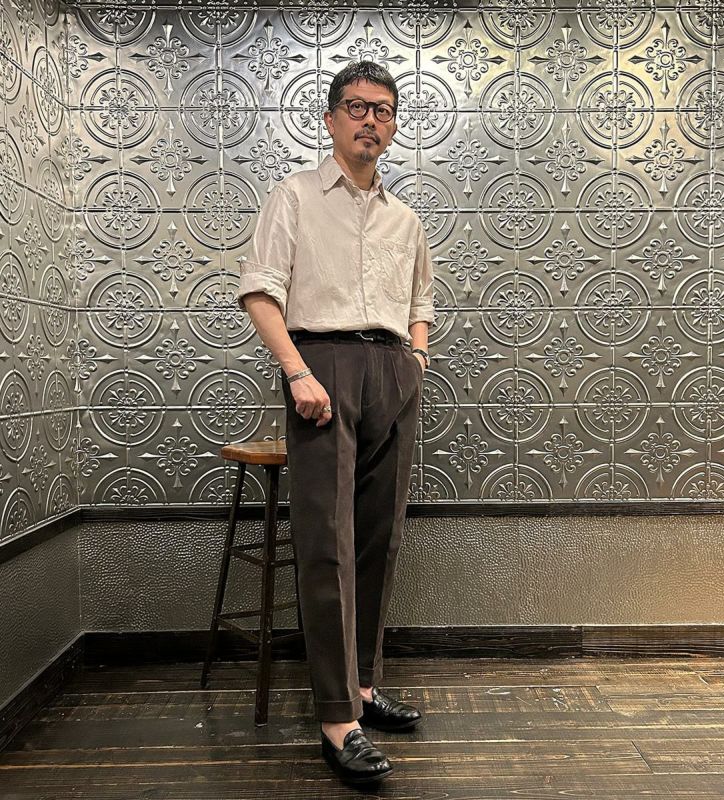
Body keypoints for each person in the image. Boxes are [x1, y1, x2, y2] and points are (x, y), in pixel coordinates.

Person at [237, 61, 434, 786]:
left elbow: (420, 301)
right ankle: (335, 718)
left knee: (379, 537)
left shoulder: (405, 219)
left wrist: (415, 359)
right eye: (356, 107)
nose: (370, 120)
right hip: (320, 368)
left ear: (394, 125)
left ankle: (365, 686)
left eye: (383, 109)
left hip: (392, 370)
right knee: (326, 544)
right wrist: (297, 372)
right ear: (329, 119)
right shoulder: (293, 196)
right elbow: (260, 292)